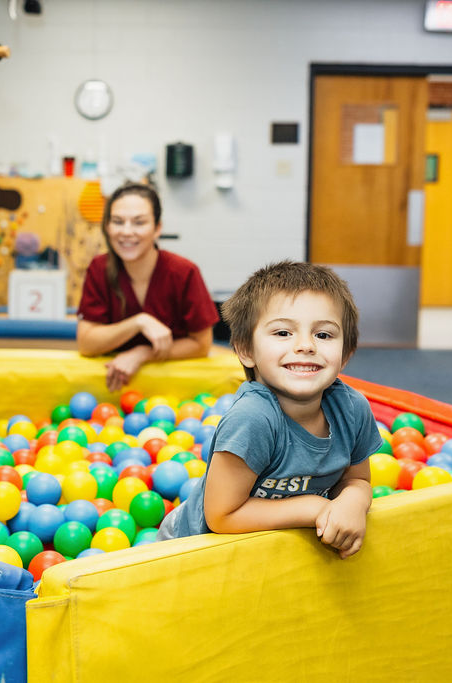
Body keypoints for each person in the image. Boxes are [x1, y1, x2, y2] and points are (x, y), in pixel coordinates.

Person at [159, 261, 383, 559]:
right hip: (190, 547)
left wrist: (353, 501)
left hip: (268, 551)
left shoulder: (351, 410)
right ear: (245, 350)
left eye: (324, 335)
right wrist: (315, 507)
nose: (305, 345)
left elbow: (356, 479)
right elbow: (221, 516)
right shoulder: (253, 418)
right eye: (282, 333)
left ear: (345, 355)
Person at [77, 183, 219, 393]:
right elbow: (87, 343)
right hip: (115, 391)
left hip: (175, 390)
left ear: (157, 228)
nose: (126, 232)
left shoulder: (183, 272)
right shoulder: (99, 269)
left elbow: (201, 344)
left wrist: (142, 353)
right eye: (117, 221)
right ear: (107, 227)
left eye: (139, 222)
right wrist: (138, 322)